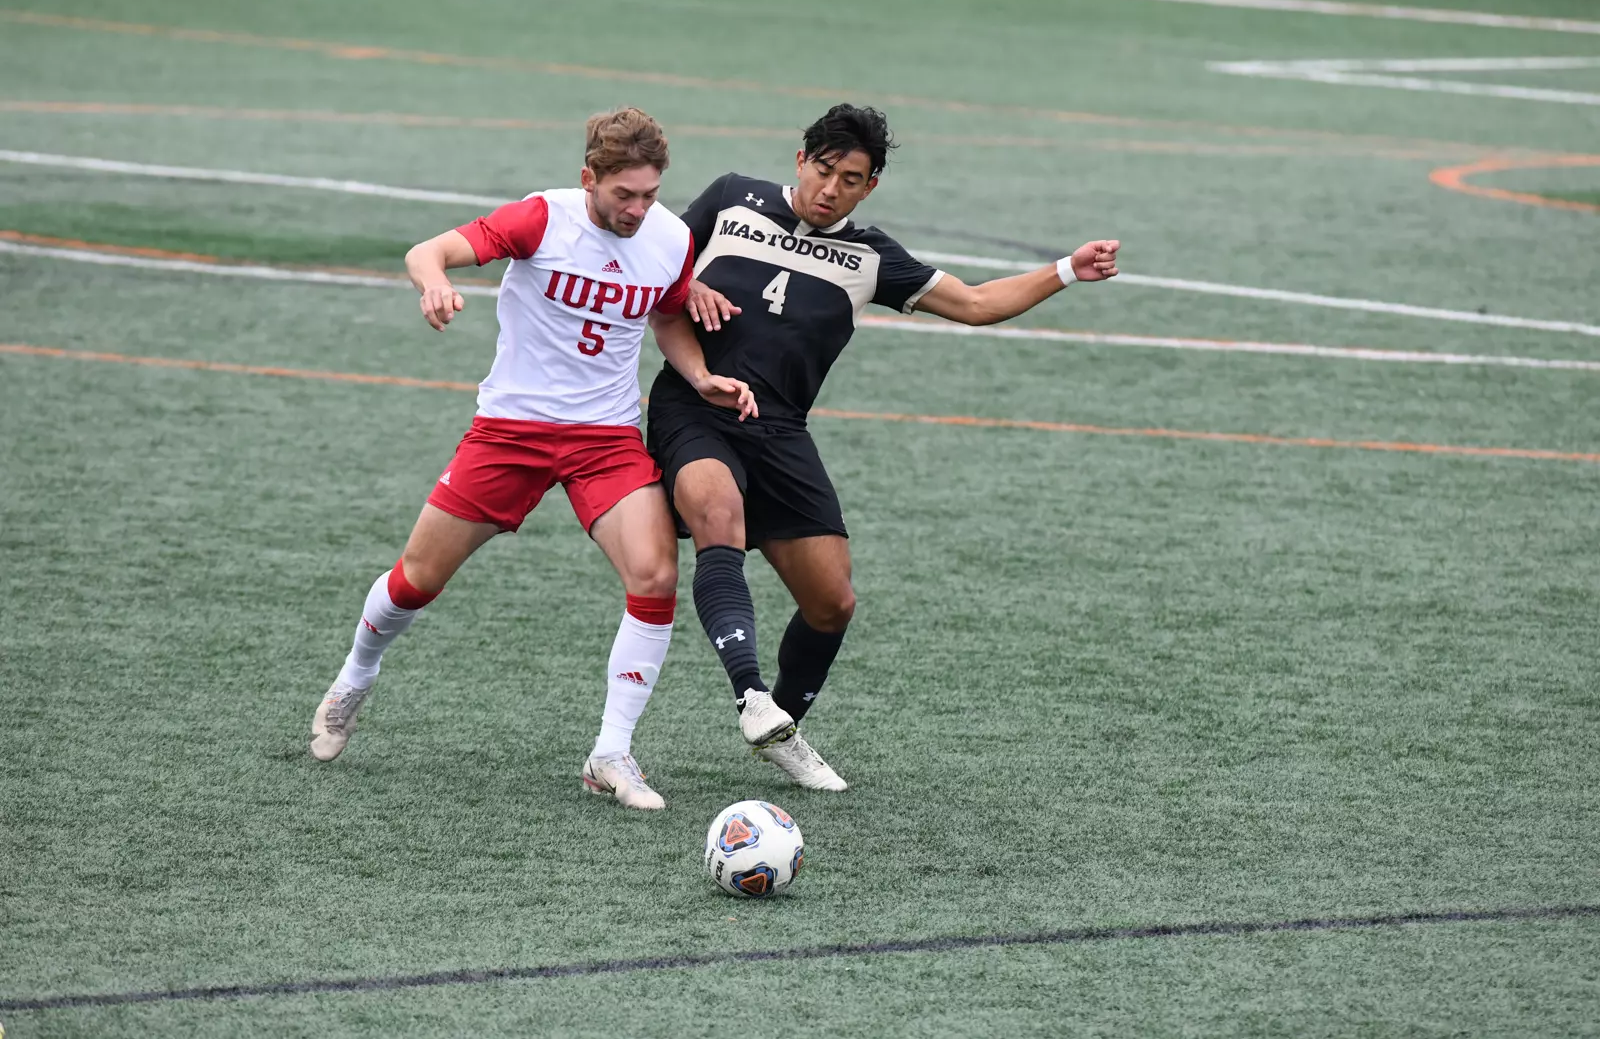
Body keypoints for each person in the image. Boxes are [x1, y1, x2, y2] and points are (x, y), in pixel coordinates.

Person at [646, 103, 1121, 791]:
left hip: (780, 431)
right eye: (825, 169)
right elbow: (653, 274)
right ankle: (750, 695)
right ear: (801, 158)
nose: (831, 187)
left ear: (870, 187)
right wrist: (688, 288)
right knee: (719, 517)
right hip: (694, 406)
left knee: (832, 602)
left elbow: (979, 303)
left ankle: (783, 724)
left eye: (852, 178)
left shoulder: (871, 256)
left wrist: (1067, 270)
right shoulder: (728, 200)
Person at [309, 107, 757, 811]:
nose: (639, 209)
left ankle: (611, 753)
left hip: (605, 437)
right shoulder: (541, 219)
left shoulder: (670, 237)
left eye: (650, 193)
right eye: (624, 195)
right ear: (590, 179)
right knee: (417, 578)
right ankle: (356, 676)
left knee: (655, 571)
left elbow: (668, 312)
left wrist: (700, 376)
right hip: (510, 431)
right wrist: (433, 282)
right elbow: (427, 250)